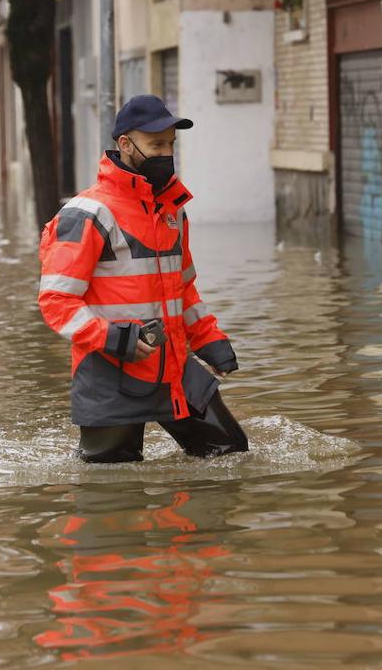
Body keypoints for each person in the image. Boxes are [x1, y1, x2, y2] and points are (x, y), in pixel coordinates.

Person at [38, 94, 249, 463]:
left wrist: (209, 340)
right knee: (112, 489)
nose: (166, 153)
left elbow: (183, 290)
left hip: (175, 370)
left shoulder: (172, 213)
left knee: (231, 454)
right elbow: (56, 301)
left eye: (170, 144)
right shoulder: (87, 213)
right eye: (156, 144)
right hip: (109, 373)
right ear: (125, 144)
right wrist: (112, 338)